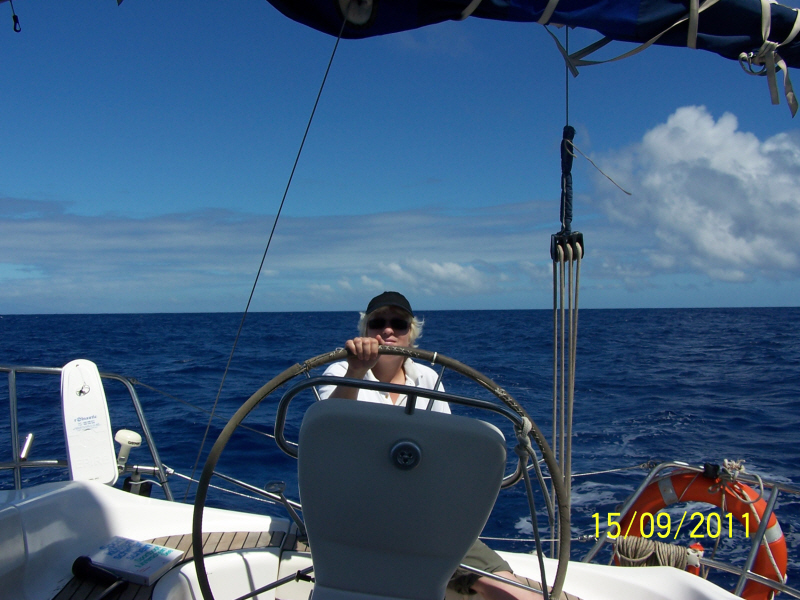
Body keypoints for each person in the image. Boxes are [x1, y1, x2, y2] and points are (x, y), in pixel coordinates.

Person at [318, 291, 544, 600]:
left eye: (399, 323)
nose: (388, 330)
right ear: (364, 331)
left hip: (421, 515)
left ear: (411, 335)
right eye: (378, 323)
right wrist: (356, 371)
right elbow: (329, 434)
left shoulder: (429, 378)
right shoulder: (341, 372)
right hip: (354, 510)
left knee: (509, 589)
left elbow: (445, 451)